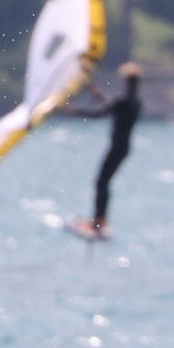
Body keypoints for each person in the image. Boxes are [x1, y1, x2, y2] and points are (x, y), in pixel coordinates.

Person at [67, 62, 143, 239]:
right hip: (122, 148)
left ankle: (98, 223)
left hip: (117, 148)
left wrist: (74, 110)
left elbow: (99, 113)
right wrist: (99, 95)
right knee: (103, 182)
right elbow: (112, 107)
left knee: (101, 183)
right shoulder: (134, 102)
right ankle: (99, 220)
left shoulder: (124, 101)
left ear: (127, 82)